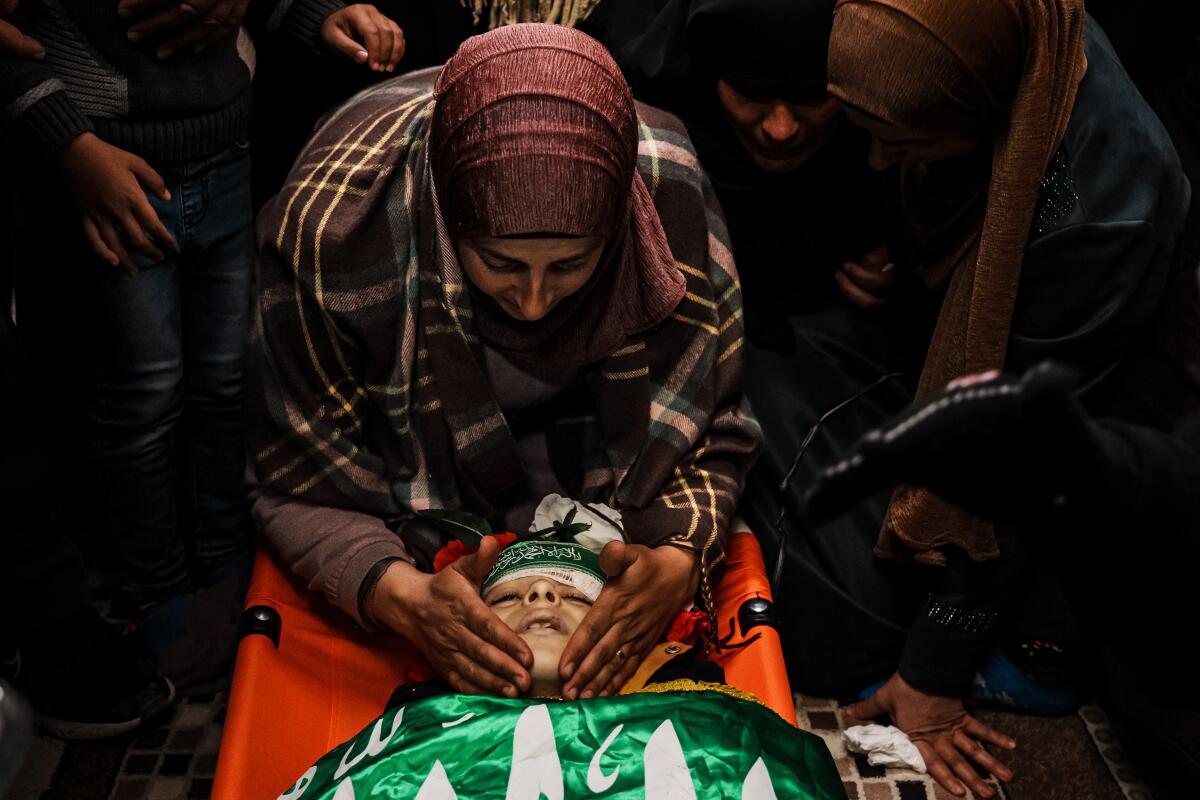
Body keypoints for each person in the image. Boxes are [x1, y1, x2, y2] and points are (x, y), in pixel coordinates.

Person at [739, 0, 1191, 796]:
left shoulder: (1100, 210)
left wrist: (933, 675)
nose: (878, 163)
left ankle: (1017, 644)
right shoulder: (987, 30)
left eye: (904, 143)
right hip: (952, 367)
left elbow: (1023, 464)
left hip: (1093, 435)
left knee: (842, 637)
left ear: (985, 111)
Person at [246, 23, 760, 705]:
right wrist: (398, 594)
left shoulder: (664, 187)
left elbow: (714, 423)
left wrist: (678, 556)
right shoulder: (336, 233)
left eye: (573, 265)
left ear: (619, 229)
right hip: (416, 468)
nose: (535, 301)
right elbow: (293, 479)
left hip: (595, 448)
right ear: (449, 227)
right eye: (499, 263)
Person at [0, 0, 404, 694]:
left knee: (226, 381)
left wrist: (321, 15)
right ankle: (158, 589)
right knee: (143, 396)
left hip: (227, 150)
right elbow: (17, 39)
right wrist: (67, 146)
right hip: (111, 166)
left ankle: (227, 567)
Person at [269, 538, 843, 800]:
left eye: (572, 598)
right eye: (505, 598)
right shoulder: (414, 732)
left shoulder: (707, 719)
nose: (542, 593)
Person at [617, 0, 891, 349]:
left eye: (811, 96)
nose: (781, 129)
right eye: (751, 92)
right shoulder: (641, 140)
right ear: (707, 72)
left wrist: (912, 269)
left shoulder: (898, 142)